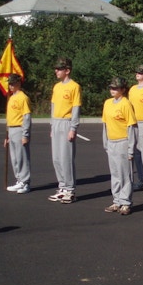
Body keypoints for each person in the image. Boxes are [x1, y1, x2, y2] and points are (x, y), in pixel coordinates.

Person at [48, 57, 82, 204]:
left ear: (67, 70)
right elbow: (53, 106)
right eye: (56, 68)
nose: (57, 71)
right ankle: (61, 187)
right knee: (56, 158)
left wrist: (73, 128)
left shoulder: (75, 86)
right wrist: (52, 125)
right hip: (56, 123)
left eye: (60, 69)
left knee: (66, 158)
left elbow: (76, 108)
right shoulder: (56, 87)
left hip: (67, 123)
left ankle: (69, 189)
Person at [102, 77, 137, 215]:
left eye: (116, 88)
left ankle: (126, 202)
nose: (113, 90)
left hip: (123, 141)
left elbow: (131, 127)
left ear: (123, 90)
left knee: (125, 174)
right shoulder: (107, 103)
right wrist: (106, 142)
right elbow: (105, 124)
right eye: (111, 88)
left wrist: (130, 148)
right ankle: (116, 200)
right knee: (115, 173)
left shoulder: (126, 104)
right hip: (112, 142)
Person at [4, 73, 31, 194]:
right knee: (14, 158)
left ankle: (25, 182)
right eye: (9, 84)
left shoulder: (23, 97)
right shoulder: (11, 97)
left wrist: (25, 134)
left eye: (13, 83)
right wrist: (7, 135)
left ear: (18, 83)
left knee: (22, 158)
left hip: (20, 129)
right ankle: (19, 180)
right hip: (12, 129)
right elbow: (10, 117)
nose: (10, 86)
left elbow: (26, 117)